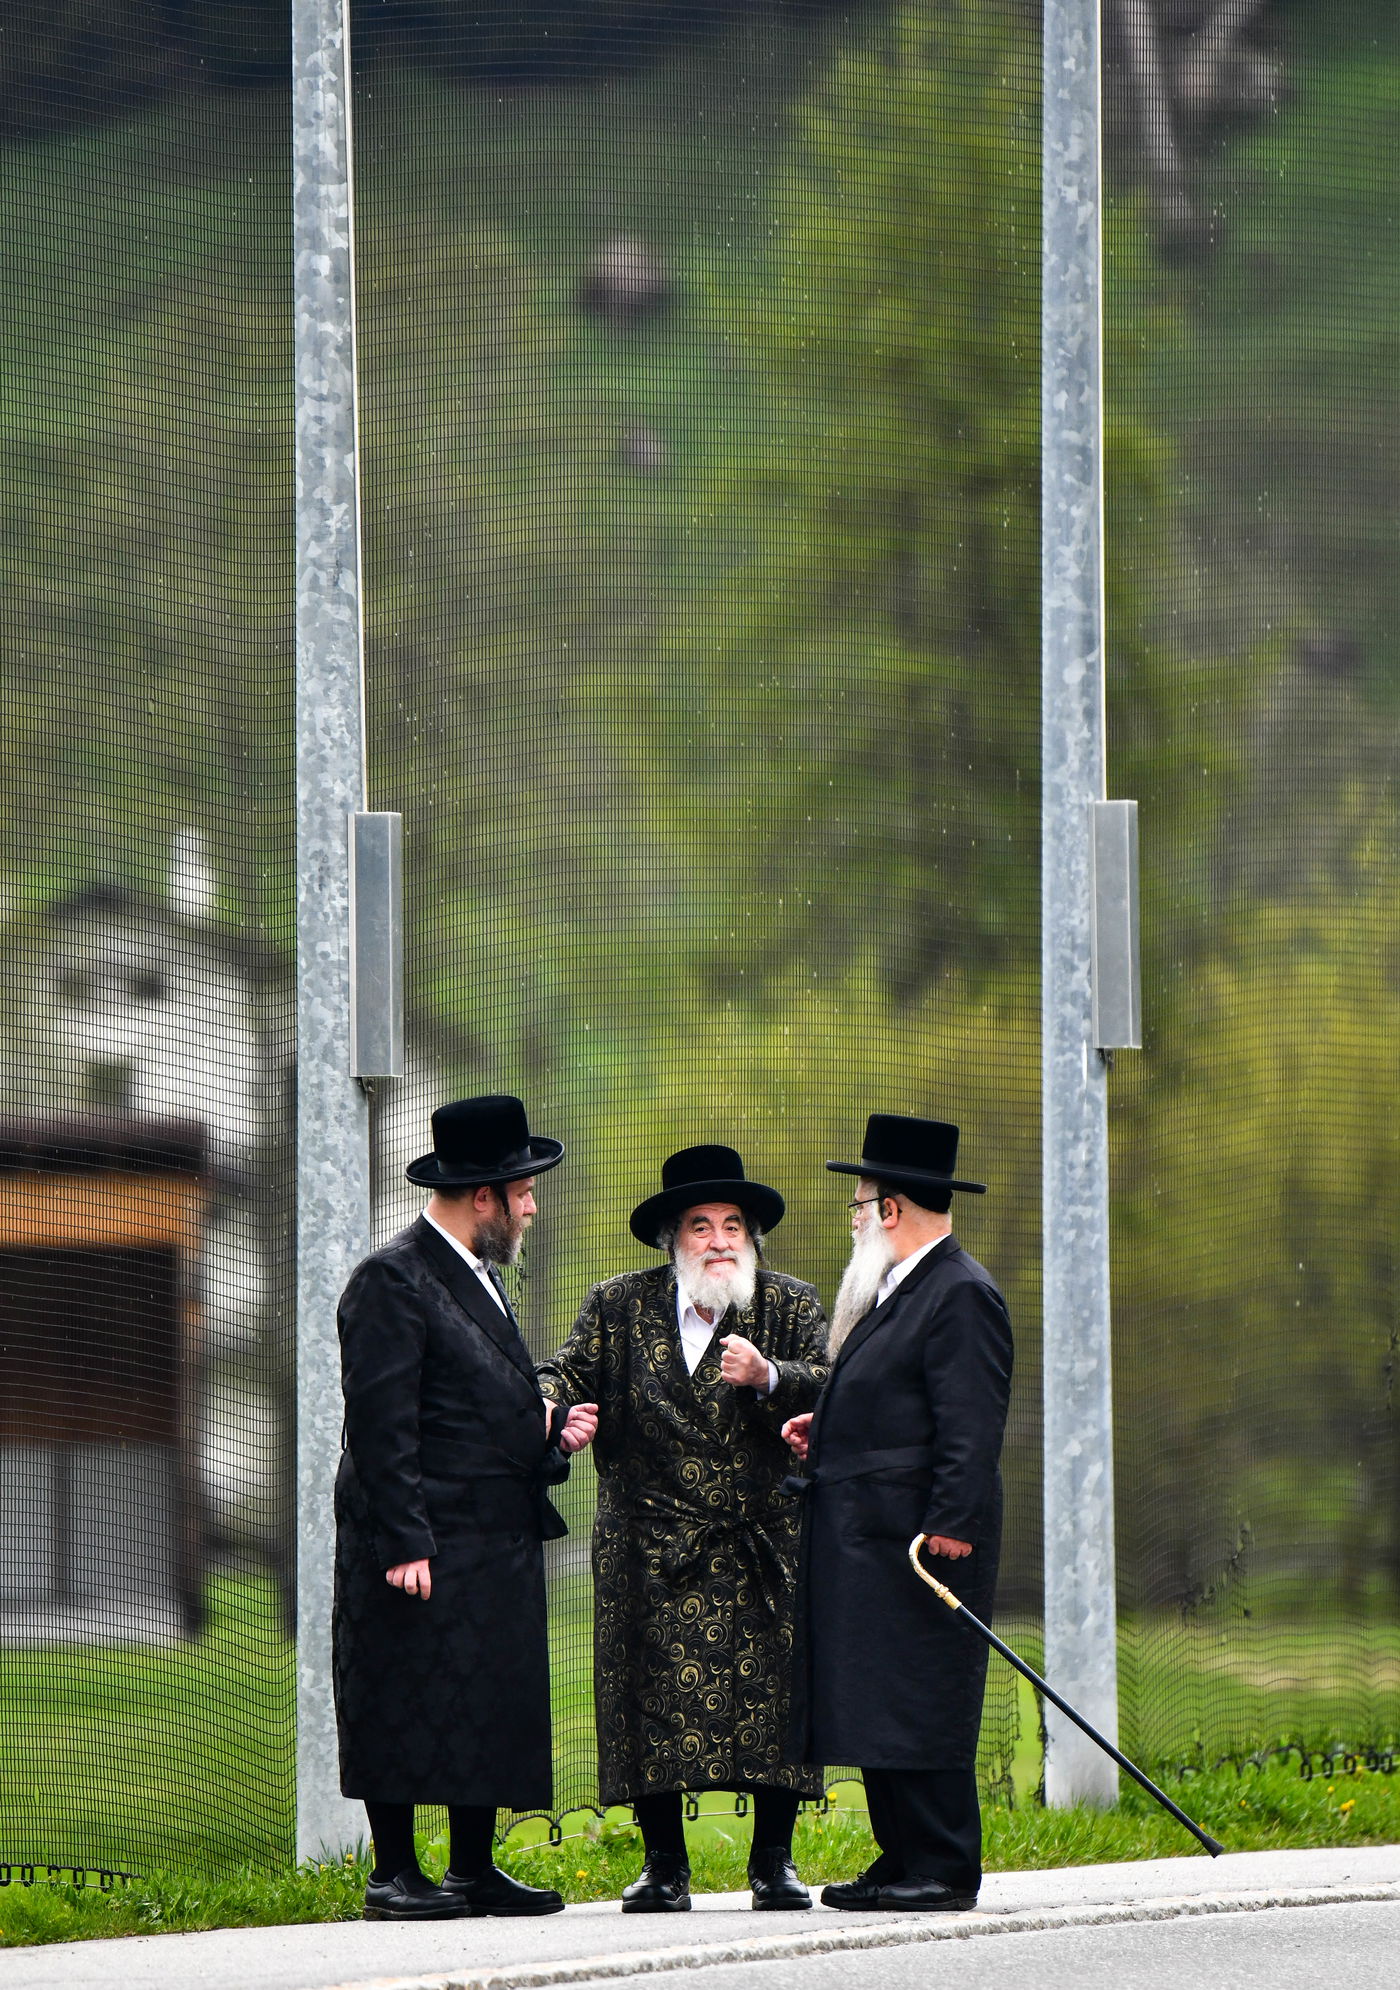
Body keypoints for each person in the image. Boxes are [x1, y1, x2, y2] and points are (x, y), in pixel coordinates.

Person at [538, 1145, 830, 1914]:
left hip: (762, 1540)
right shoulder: (618, 1305)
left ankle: (774, 1862)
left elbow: (836, 1384)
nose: (719, 1240)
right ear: (673, 1239)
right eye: (701, 1225)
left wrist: (770, 1376)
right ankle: (663, 1865)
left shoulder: (789, 1306)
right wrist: (546, 1406)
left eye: (733, 1225)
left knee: (773, 1699)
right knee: (650, 1700)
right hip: (652, 1547)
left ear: (752, 1238)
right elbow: (566, 1372)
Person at [332, 1094, 598, 1921]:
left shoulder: (478, 1276)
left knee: (482, 1698)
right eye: (524, 1191)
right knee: (401, 1694)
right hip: (423, 1538)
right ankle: (394, 1875)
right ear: (484, 1197)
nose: (532, 1207)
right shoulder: (392, 1278)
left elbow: (472, 1405)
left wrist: (545, 1431)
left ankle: (472, 1870)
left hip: (489, 1538)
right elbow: (381, 1423)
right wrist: (404, 1540)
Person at [783, 1112, 1013, 1913]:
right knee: (877, 1697)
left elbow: (970, 1425)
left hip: (922, 1543)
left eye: (859, 1203)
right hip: (869, 1536)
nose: (853, 1217)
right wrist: (826, 1428)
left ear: (890, 1209)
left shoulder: (960, 1292)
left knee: (920, 1694)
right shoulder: (899, 1292)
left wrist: (952, 1523)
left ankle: (942, 1864)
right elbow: (898, 1404)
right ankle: (902, 1854)